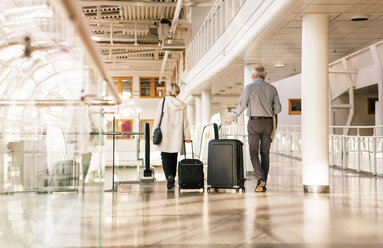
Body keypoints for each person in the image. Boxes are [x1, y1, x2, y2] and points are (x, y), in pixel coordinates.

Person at [225, 65, 281, 192]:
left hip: (254, 123)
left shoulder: (249, 88)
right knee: (265, 153)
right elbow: (278, 109)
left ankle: (260, 179)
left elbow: (242, 105)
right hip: (267, 124)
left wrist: (231, 118)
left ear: (253, 76)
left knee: (253, 152)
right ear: (265, 76)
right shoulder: (272, 89)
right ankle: (263, 182)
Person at [153, 83, 191, 190]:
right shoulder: (182, 105)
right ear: (177, 91)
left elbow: (158, 117)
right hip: (177, 133)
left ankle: (169, 176)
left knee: (165, 155)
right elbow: (185, 122)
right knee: (174, 155)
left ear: (169, 90)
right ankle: (173, 178)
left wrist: (154, 130)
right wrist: (187, 136)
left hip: (165, 132)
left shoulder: (164, 101)